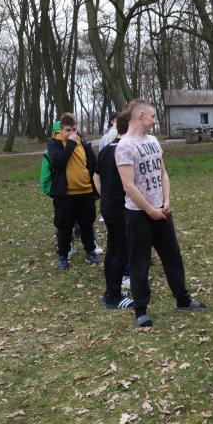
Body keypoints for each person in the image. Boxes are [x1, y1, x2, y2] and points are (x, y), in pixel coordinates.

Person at [116, 99, 206, 330]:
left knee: (173, 256)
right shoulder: (124, 146)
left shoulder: (154, 141)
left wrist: (165, 202)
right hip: (138, 216)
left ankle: (183, 300)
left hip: (162, 212)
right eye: (153, 116)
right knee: (140, 263)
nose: (155, 121)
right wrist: (150, 210)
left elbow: (163, 174)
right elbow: (129, 186)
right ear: (140, 117)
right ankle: (141, 311)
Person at [47, 112, 100, 269]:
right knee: (64, 227)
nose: (72, 133)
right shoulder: (54, 143)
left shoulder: (82, 142)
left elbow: (93, 163)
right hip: (65, 195)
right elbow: (58, 163)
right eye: (68, 130)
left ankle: (90, 251)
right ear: (61, 130)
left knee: (87, 225)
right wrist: (70, 144)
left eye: (74, 129)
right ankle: (63, 256)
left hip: (85, 192)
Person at [93, 112, 133, 310]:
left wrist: (104, 196)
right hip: (120, 208)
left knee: (112, 250)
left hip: (107, 207)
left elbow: (96, 177)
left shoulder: (107, 149)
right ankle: (113, 296)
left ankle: (111, 290)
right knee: (121, 252)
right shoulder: (125, 149)